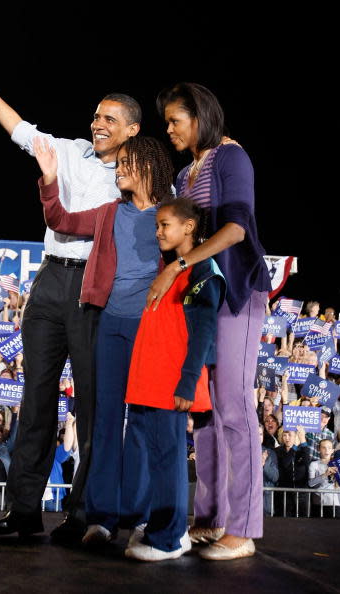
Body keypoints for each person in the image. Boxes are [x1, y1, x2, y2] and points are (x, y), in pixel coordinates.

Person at [0, 37, 141, 540]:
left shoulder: (133, 180)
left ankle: (83, 514)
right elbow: (17, 127)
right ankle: (24, 512)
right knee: (36, 399)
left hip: (92, 292)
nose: (96, 124)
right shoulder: (67, 150)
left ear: (131, 129)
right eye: (95, 116)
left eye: (108, 119)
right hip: (48, 284)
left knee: (91, 405)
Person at [147, 82, 271, 560]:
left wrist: (179, 266)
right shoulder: (185, 174)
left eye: (176, 120)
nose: (171, 130)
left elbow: (237, 227)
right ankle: (210, 517)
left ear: (199, 116)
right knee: (205, 411)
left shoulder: (230, 157)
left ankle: (242, 529)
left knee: (236, 409)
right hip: (201, 296)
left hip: (236, 292)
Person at [34, 134, 175, 546]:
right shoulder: (109, 213)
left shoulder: (171, 214)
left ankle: (144, 517)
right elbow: (60, 220)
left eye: (129, 162)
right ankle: (102, 518)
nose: (120, 168)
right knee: (106, 420)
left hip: (149, 330)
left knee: (145, 425)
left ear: (149, 167)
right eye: (120, 163)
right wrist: (50, 179)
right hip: (110, 325)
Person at [123, 197, 225, 562]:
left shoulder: (202, 271)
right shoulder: (165, 269)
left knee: (167, 460)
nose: (159, 231)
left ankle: (169, 537)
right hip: (147, 384)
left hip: (170, 385)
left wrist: (186, 382)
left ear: (189, 227)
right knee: (148, 460)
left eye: (165, 224)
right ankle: (156, 526)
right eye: (157, 225)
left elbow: (203, 331)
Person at [308, 439, 340, 518]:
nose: (326, 450)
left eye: (329, 448)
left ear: (332, 450)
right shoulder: (314, 464)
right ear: (319, 449)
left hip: (335, 502)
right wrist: (325, 474)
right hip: (319, 503)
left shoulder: (337, 464)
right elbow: (310, 484)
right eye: (323, 447)